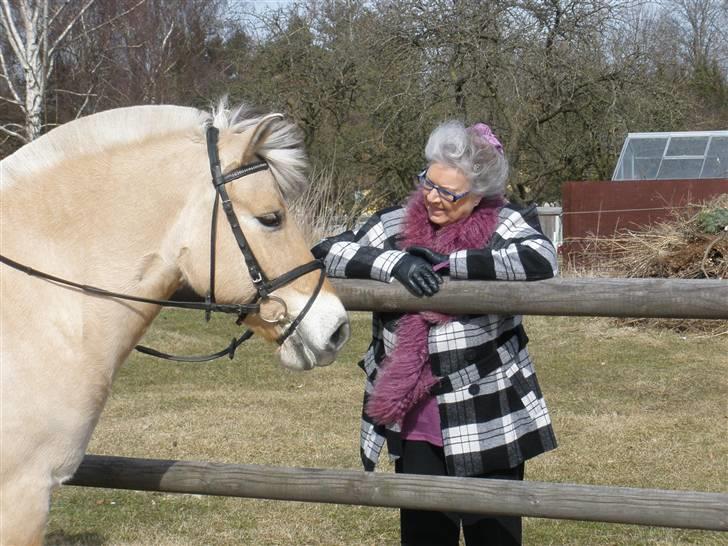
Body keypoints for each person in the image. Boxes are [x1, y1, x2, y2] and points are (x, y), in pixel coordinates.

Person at [312, 120, 558, 546]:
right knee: (425, 535)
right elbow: (326, 251)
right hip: (415, 417)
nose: (432, 197)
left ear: (479, 195)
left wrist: (448, 266)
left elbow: (540, 258)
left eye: (449, 192)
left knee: (494, 536)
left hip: (490, 412)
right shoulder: (394, 221)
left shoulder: (505, 220)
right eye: (428, 182)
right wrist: (395, 264)